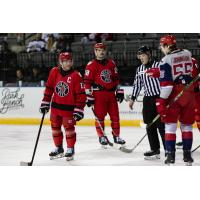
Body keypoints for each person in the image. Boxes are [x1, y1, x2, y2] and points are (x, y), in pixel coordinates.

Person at [156, 34, 195, 165]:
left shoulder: (166, 59)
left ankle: (171, 156)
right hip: (189, 92)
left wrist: (161, 101)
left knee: (170, 127)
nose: (161, 49)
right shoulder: (188, 53)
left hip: (175, 94)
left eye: (162, 46)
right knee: (187, 126)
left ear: (167, 46)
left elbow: (167, 85)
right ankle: (187, 156)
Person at [39, 52, 86, 161]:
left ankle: (70, 148)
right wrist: (45, 102)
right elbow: (49, 88)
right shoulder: (54, 71)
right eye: (65, 61)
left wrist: (79, 110)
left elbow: (81, 95)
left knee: (69, 129)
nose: (68, 63)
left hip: (69, 110)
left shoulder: (76, 75)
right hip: (55, 108)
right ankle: (58, 148)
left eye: (69, 61)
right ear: (60, 62)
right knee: (55, 128)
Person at [84, 43, 125, 147]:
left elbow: (116, 79)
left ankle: (116, 136)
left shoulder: (111, 63)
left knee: (115, 117)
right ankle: (101, 136)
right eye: (98, 50)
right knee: (100, 117)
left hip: (111, 95)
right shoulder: (91, 65)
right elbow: (87, 82)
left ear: (105, 51)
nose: (101, 52)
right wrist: (89, 96)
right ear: (95, 52)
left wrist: (119, 91)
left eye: (103, 50)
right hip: (98, 95)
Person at [129, 46, 165, 160]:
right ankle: (155, 149)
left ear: (149, 55)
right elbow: (137, 84)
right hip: (148, 99)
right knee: (149, 125)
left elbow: (166, 80)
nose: (141, 58)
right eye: (140, 56)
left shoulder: (159, 65)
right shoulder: (139, 69)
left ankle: (169, 149)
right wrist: (132, 98)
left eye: (143, 55)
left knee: (162, 125)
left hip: (159, 97)